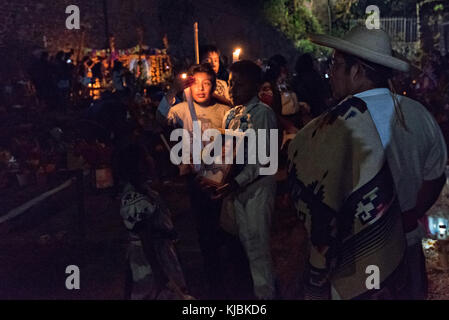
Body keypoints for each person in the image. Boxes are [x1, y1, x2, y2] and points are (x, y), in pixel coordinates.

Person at [288, 26, 447, 300]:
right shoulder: (419, 115)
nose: (331, 74)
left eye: (336, 64)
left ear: (356, 71)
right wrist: (408, 214)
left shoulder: (331, 127)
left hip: (353, 259)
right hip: (406, 246)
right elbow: (436, 175)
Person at [157, 63, 231, 298]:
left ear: (214, 84)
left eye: (207, 83)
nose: (201, 88)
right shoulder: (181, 109)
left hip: (221, 178)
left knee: (226, 227)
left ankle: (230, 274)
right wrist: (173, 90)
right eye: (195, 83)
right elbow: (159, 119)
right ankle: (213, 279)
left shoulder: (223, 110)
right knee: (204, 228)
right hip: (196, 179)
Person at [215, 60, 278, 300]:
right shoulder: (231, 115)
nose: (232, 90)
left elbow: (263, 161)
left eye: (239, 85)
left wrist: (235, 182)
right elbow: (227, 154)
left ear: (254, 86)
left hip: (256, 192)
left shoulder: (262, 114)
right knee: (242, 247)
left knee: (258, 250)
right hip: (237, 192)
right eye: (231, 84)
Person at [118, 143, 193, 300]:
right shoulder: (135, 198)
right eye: (146, 156)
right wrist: (160, 275)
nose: (151, 159)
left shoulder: (144, 190)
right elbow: (145, 237)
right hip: (152, 262)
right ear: (138, 164)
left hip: (157, 255)